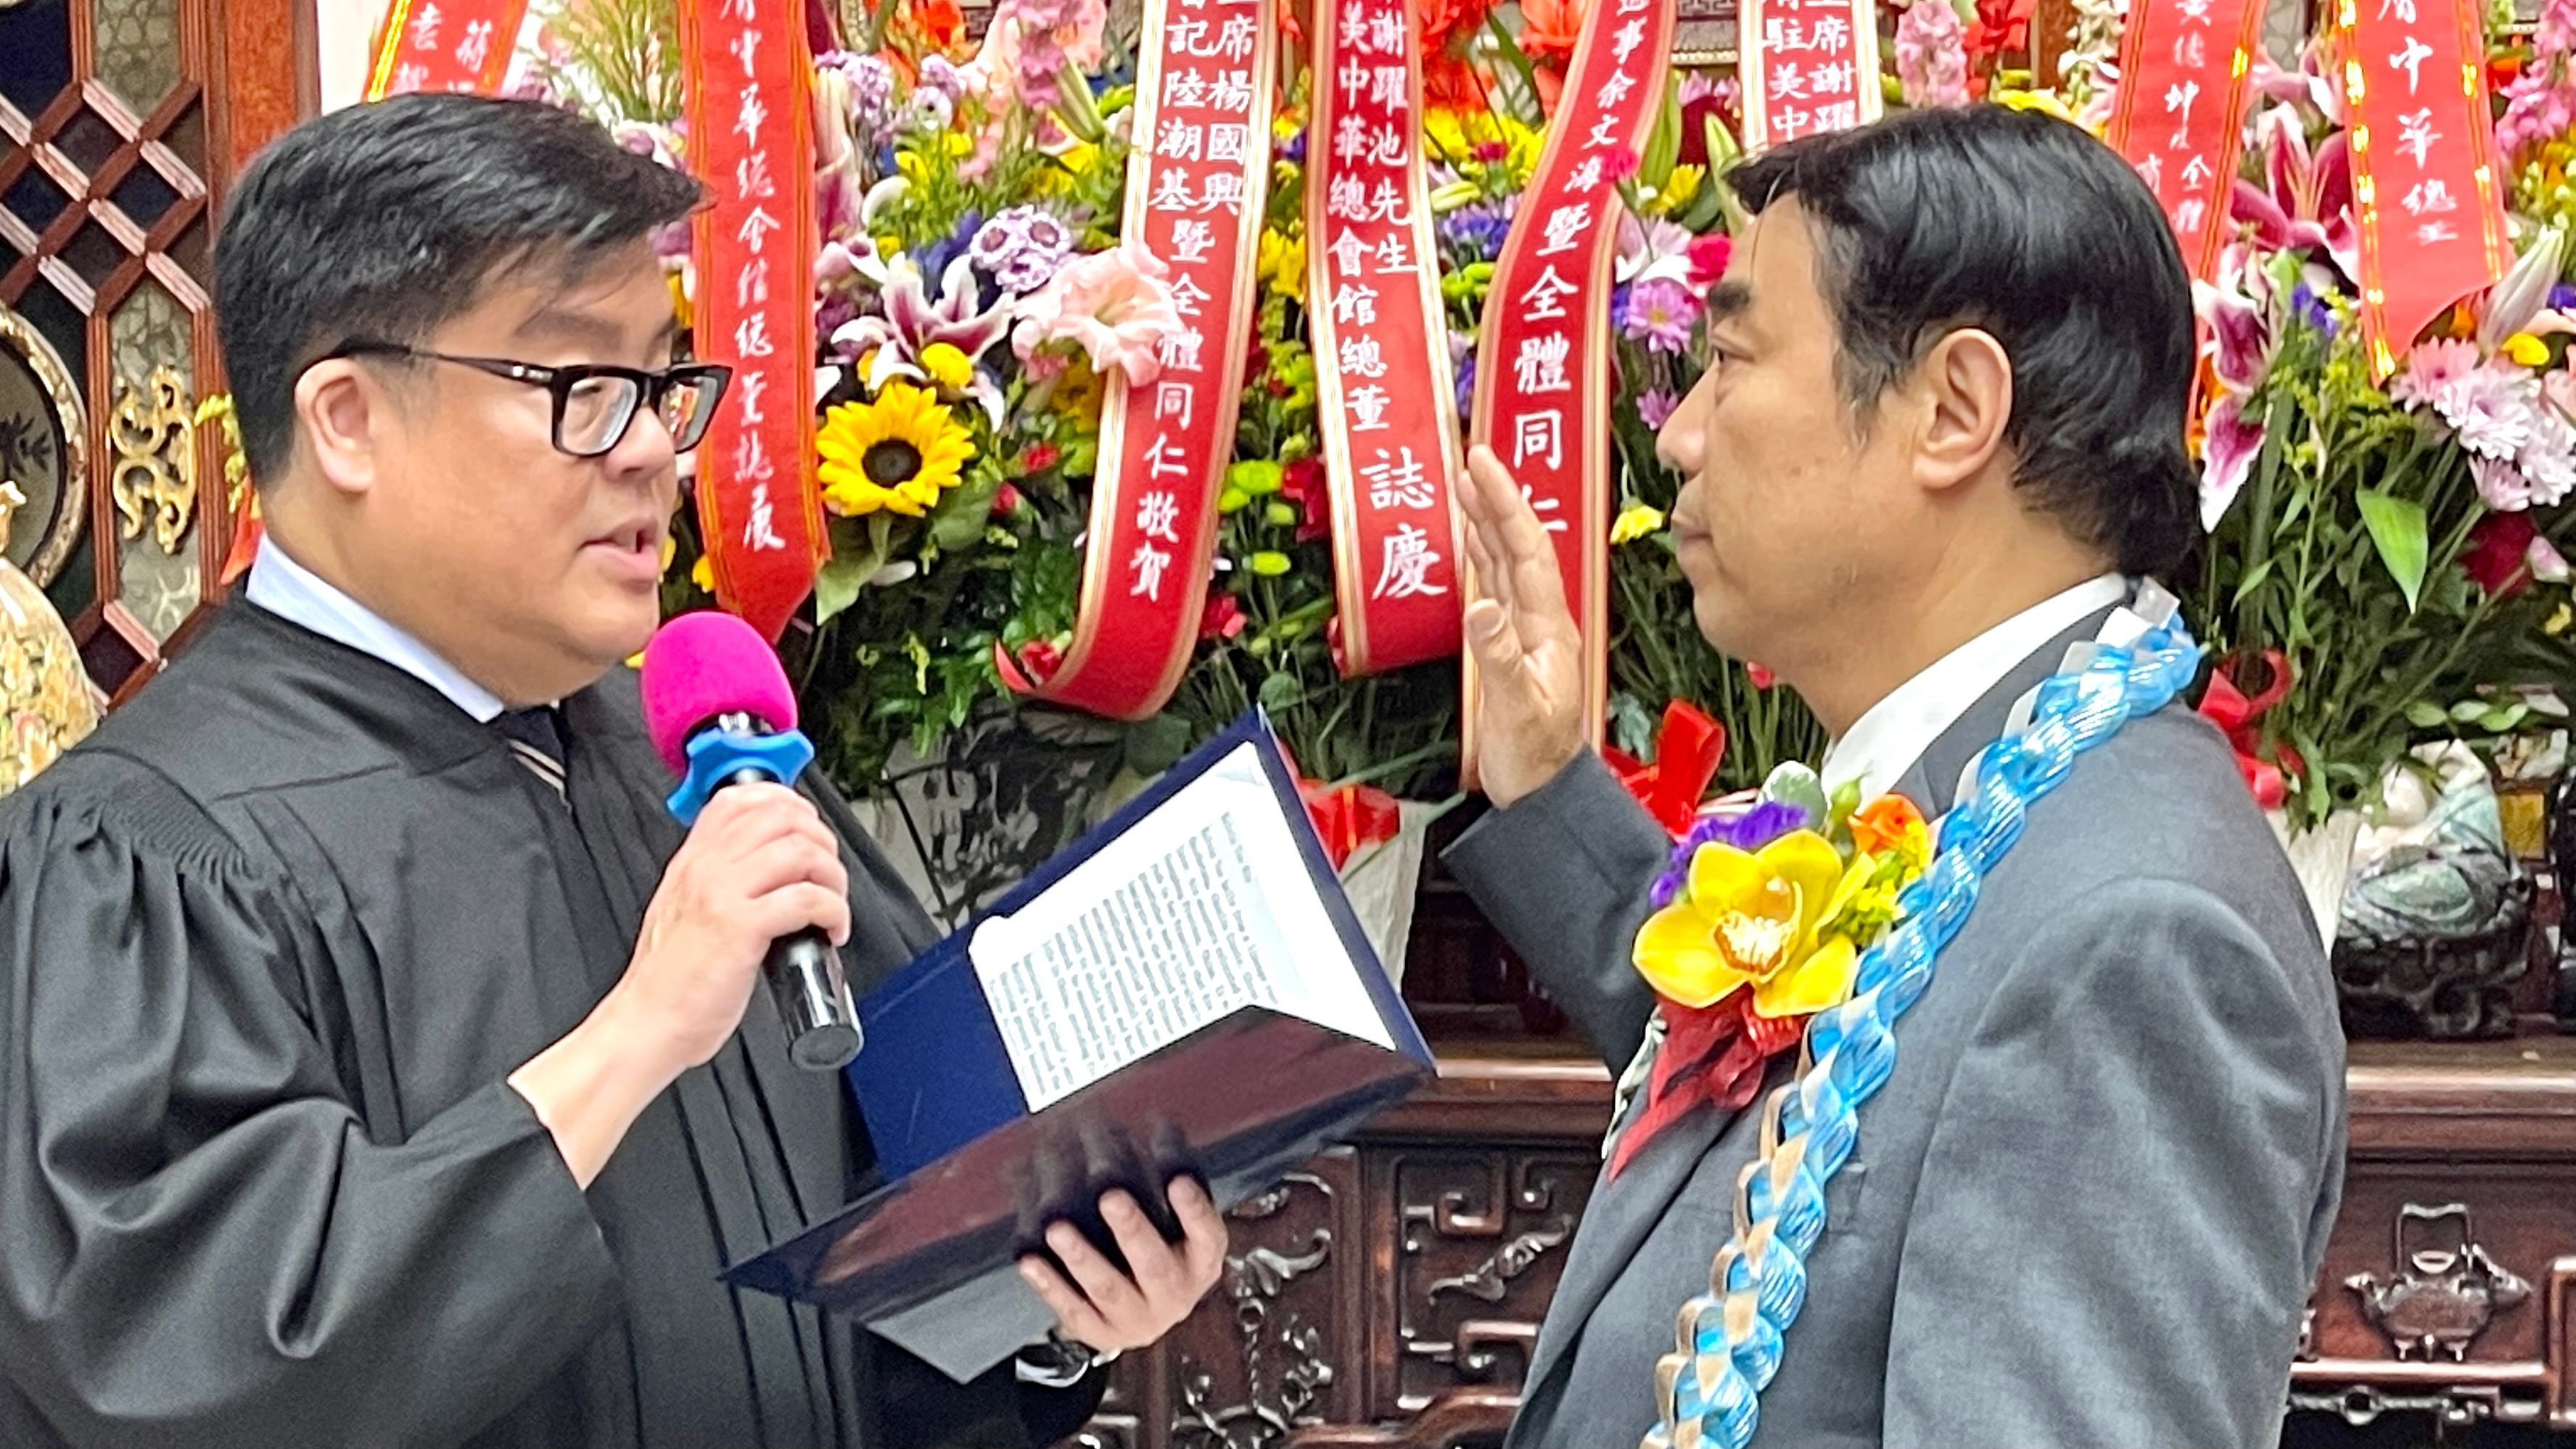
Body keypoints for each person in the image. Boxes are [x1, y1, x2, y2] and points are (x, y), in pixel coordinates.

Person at [0, 94, 1222, 1449]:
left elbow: (871, 1289)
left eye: (661, 383)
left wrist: (1057, 1312)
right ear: (345, 419)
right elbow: (186, 1374)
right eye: (581, 387)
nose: (648, 445)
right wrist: (638, 1031)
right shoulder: (150, 854)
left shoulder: (703, 770)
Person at [1445, 106, 2346, 1448]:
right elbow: (1842, 1073)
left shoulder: (2134, 940)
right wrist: (1545, 786)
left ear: (1954, 410)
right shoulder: (1998, 791)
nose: (1681, 436)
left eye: (1733, 358)